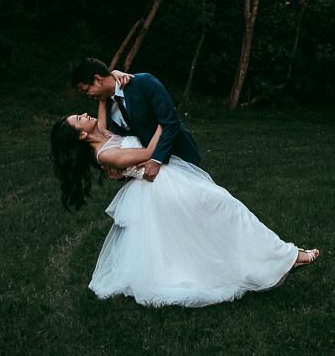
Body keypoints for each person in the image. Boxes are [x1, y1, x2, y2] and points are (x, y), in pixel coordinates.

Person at [50, 107, 319, 307]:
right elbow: (147, 154)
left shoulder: (104, 134)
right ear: (83, 135)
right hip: (161, 186)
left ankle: (279, 257)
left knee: (220, 215)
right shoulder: (105, 153)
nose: (85, 114)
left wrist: (111, 84)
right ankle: (284, 258)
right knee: (226, 209)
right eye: (78, 118)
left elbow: (102, 100)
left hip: (168, 179)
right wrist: (163, 120)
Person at [71, 58, 200, 182]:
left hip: (178, 154)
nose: (89, 96)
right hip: (149, 175)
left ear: (98, 79)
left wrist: (156, 160)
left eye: (87, 91)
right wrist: (119, 172)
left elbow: (171, 121)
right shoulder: (107, 106)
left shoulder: (143, 82)